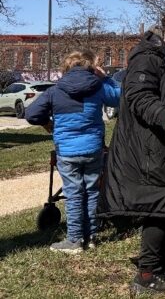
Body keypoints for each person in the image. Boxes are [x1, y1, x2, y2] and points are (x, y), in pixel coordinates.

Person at [98, 8, 165, 295]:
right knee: (158, 206)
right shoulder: (148, 56)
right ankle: (147, 273)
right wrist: (164, 115)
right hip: (150, 145)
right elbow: (137, 96)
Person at [25, 50, 121, 253]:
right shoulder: (99, 87)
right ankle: (92, 237)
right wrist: (107, 78)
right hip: (93, 147)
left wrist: (48, 123)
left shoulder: (56, 90)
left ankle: (75, 240)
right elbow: (120, 97)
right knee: (92, 191)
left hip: (67, 151)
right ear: (92, 68)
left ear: (66, 68)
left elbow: (32, 114)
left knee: (74, 194)